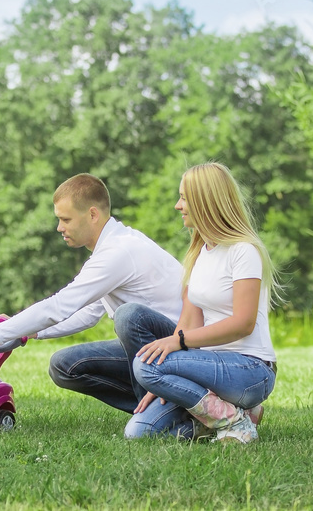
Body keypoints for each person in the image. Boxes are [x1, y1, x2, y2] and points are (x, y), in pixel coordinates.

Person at [0, 173, 183, 414]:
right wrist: (26, 331)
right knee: (64, 365)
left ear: (92, 214)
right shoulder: (111, 248)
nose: (59, 228)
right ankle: (153, 407)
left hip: (180, 350)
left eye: (65, 219)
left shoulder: (118, 251)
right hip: (153, 347)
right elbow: (87, 313)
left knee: (128, 317)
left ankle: (168, 409)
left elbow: (58, 306)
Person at [119, 162, 280, 444]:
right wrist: (162, 380)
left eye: (184, 198)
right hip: (208, 371)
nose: (177, 205)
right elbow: (189, 322)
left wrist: (175, 346)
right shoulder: (199, 253)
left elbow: (243, 323)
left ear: (206, 202)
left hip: (250, 371)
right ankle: (234, 416)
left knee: (144, 365)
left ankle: (234, 421)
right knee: (138, 433)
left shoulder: (244, 251)